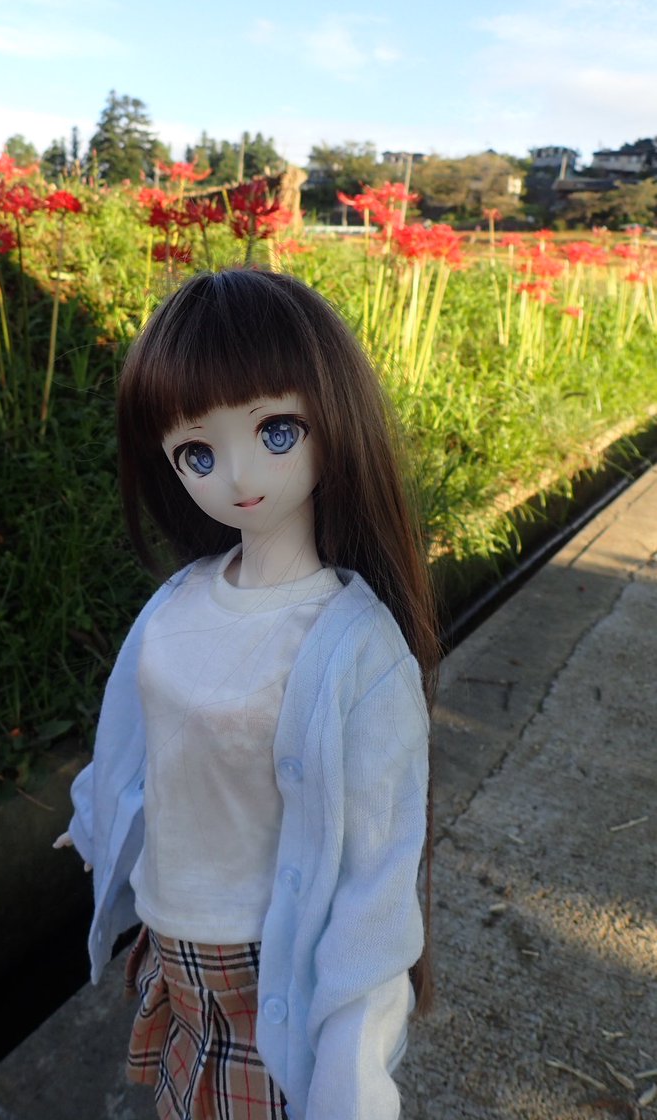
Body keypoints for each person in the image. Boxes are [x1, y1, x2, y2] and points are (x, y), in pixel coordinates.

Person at [55, 267, 439, 1120]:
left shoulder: (355, 649)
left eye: (275, 431)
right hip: (168, 938)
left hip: (267, 971)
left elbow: (374, 879)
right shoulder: (181, 598)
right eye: (196, 453)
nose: (236, 475)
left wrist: (353, 1073)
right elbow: (138, 743)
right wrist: (96, 819)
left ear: (333, 418)